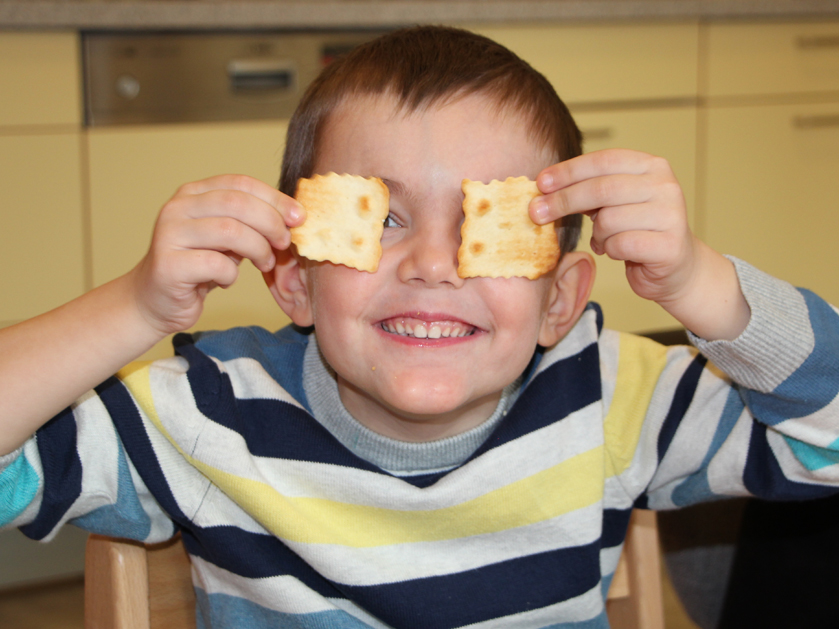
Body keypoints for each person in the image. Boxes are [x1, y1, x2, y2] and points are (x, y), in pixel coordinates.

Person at [1, 25, 838, 628]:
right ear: (293, 277)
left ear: (558, 300)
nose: (435, 264)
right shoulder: (215, 413)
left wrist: (700, 282)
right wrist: (137, 306)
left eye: (482, 225)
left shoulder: (610, 399)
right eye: (382, 220)